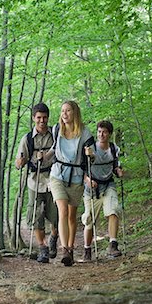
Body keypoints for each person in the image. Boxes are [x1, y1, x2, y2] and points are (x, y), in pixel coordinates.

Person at [45, 100, 95, 267]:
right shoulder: (56, 129)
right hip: (57, 174)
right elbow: (53, 149)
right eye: (62, 111)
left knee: (72, 216)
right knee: (63, 211)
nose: (64, 114)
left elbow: (92, 158)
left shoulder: (85, 133)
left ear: (75, 113)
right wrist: (43, 157)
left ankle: (71, 248)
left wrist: (90, 153)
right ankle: (65, 249)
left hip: (76, 177)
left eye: (68, 111)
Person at [15, 103, 58, 264]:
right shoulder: (27, 139)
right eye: (38, 117)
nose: (42, 121)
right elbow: (18, 163)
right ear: (34, 118)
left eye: (44, 117)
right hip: (35, 181)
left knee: (57, 217)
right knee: (36, 216)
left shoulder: (55, 134)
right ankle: (43, 248)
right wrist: (21, 161)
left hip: (54, 179)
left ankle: (54, 237)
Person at [82, 120, 124, 261]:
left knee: (113, 210)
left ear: (110, 134)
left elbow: (116, 165)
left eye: (105, 132)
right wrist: (88, 181)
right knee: (89, 220)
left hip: (108, 185)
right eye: (99, 131)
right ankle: (87, 250)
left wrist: (118, 171)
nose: (101, 135)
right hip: (92, 189)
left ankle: (113, 244)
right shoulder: (90, 149)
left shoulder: (114, 149)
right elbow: (82, 170)